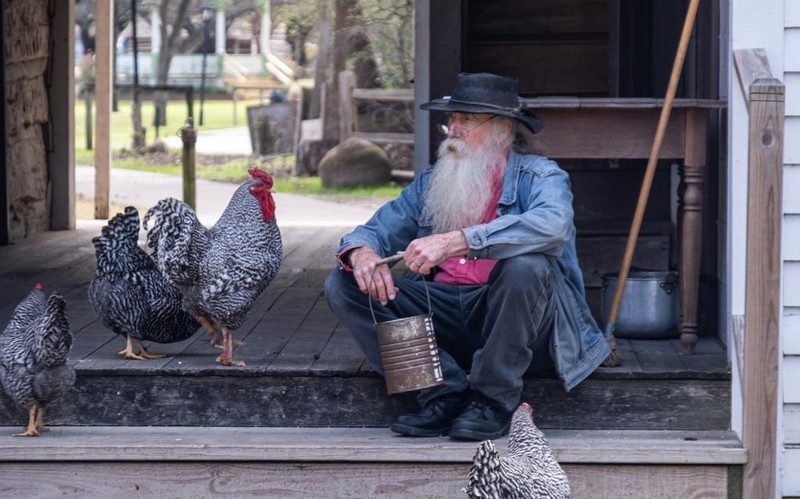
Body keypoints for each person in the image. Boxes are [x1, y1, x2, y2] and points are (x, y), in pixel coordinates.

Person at [324, 72, 615, 441]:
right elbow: (377, 229)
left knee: (527, 266)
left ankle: (493, 401)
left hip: (515, 319)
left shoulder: (541, 176)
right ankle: (441, 393)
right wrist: (362, 253)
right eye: (452, 119)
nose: (453, 129)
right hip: (442, 310)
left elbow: (552, 226)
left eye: (467, 120)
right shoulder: (433, 181)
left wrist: (459, 240)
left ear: (503, 129)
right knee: (345, 281)